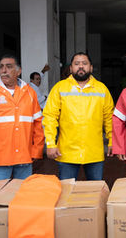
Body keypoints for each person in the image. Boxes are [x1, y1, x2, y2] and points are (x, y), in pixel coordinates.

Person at [42, 52, 114, 180]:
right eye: (77, 64)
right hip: (67, 152)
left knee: (95, 192)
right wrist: (51, 144)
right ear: (71, 68)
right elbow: (50, 117)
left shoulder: (102, 90)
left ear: (91, 67)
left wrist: (112, 141)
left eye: (84, 63)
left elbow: (109, 118)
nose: (81, 66)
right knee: (67, 193)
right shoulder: (59, 88)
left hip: (94, 153)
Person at [0, 54, 44, 180]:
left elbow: (38, 124)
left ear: (19, 71)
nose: (4, 70)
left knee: (22, 196)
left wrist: (37, 150)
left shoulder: (30, 93)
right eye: (1, 67)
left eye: (9, 67)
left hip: (24, 157)